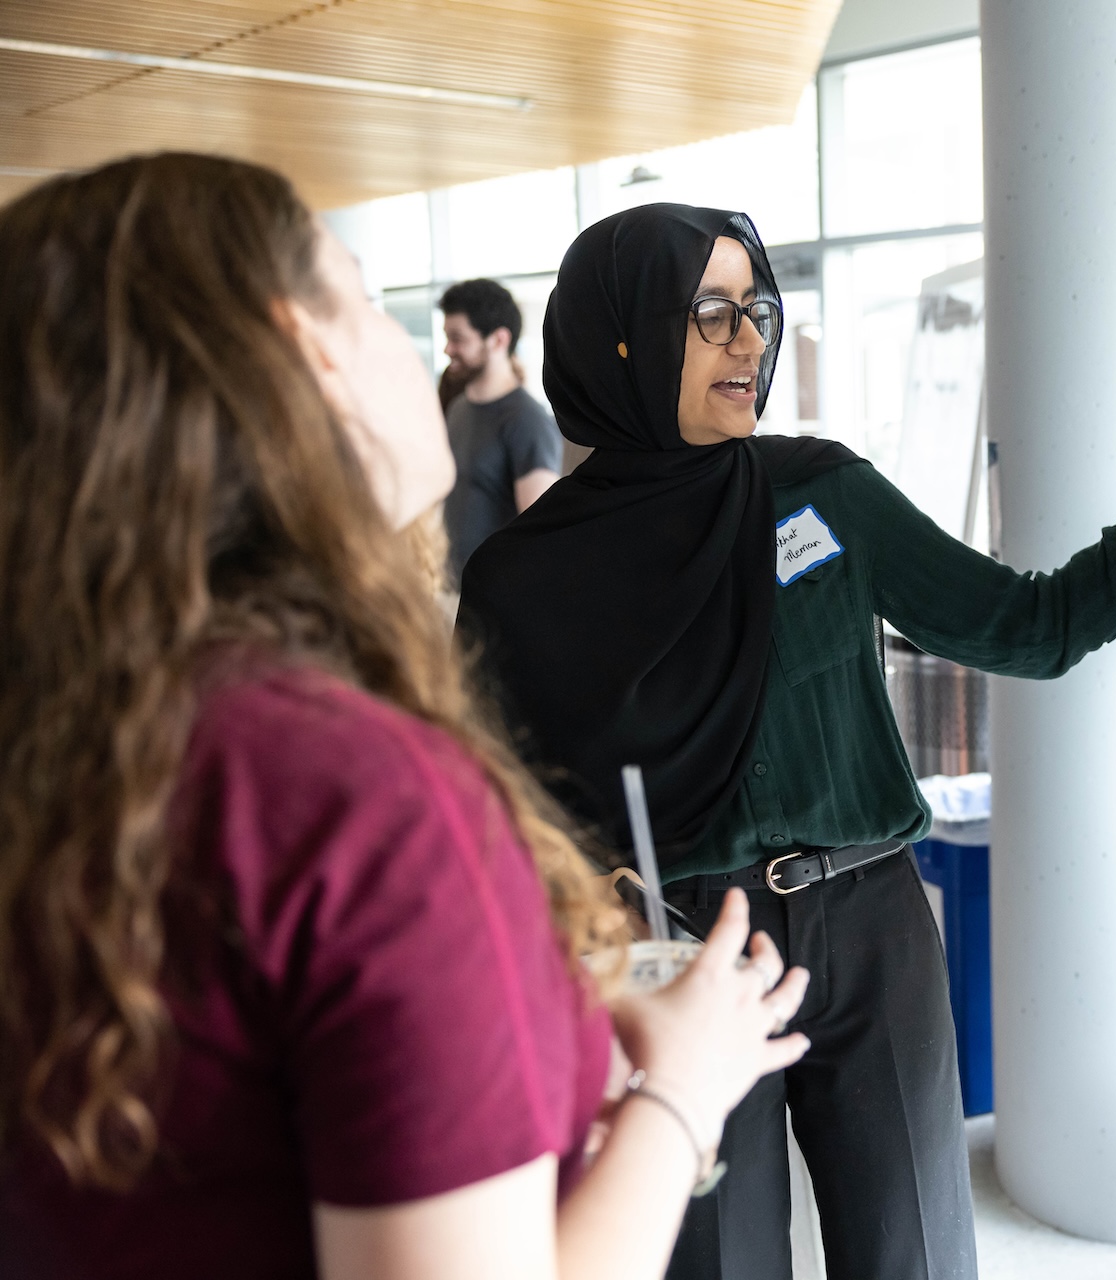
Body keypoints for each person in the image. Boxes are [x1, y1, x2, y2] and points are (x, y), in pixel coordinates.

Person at [456, 203, 1116, 1280]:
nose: (751, 339)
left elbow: (1035, 624)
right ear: (623, 336)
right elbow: (493, 837)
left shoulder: (819, 494)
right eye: (712, 312)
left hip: (871, 926)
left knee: (913, 1251)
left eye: (759, 309)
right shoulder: (519, 581)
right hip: (676, 957)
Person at [0, 155, 810, 1280]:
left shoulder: (81, 733)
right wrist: (683, 1085)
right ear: (309, 347)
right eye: (369, 297)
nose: (416, 347)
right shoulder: (360, 793)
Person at [438, 278, 563, 582]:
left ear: (498, 340)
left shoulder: (527, 420)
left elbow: (540, 535)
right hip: (454, 589)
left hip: (493, 597)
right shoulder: (459, 407)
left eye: (458, 338)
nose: (447, 349)